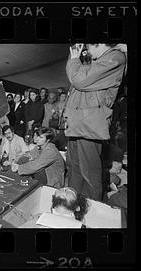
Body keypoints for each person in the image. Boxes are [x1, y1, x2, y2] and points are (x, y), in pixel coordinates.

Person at [64, 43, 127, 200]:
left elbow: (79, 79)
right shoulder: (96, 62)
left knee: (89, 174)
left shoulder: (116, 58)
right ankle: (72, 205)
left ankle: (93, 213)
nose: (86, 49)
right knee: (74, 169)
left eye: (88, 45)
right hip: (78, 124)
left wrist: (73, 59)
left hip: (90, 126)